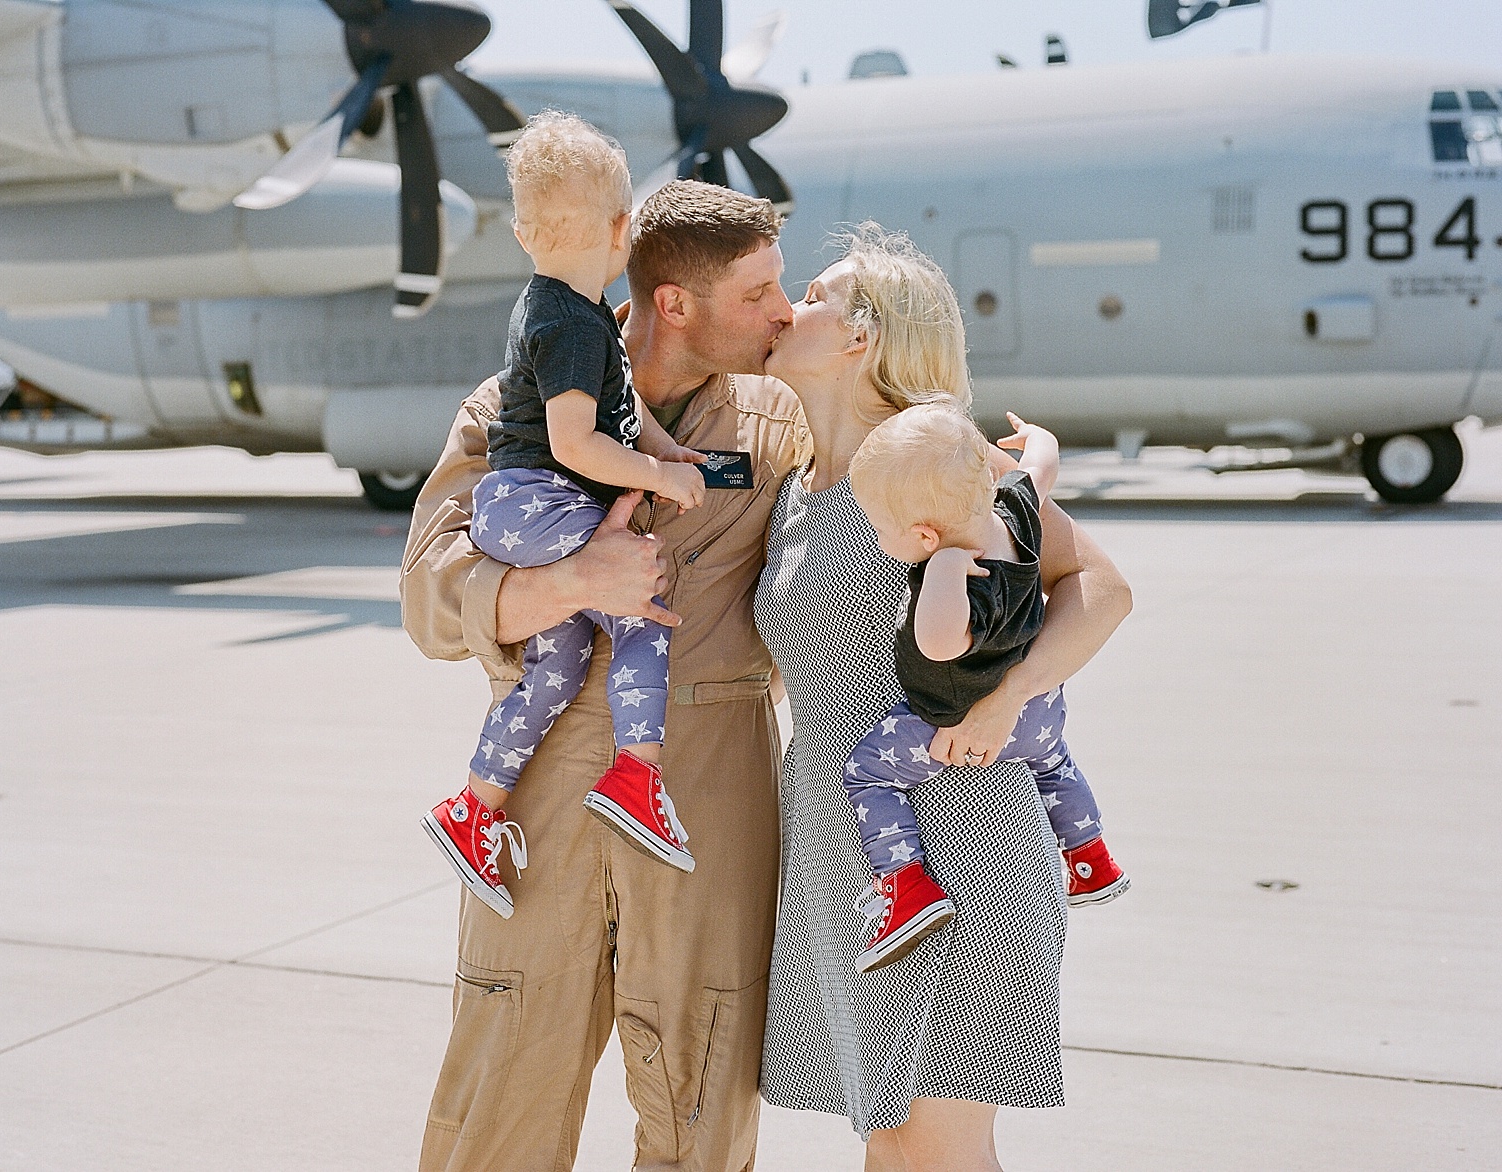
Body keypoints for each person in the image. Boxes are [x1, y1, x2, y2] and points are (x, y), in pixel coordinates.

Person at [402, 179, 803, 1172]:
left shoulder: (778, 424)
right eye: (756, 294)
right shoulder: (512, 410)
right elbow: (426, 595)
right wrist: (571, 581)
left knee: (700, 1090)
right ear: (675, 301)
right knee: (507, 1068)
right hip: (543, 776)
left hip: (708, 780)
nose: (781, 313)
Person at [754, 223, 1132, 1172]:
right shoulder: (800, 487)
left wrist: (1010, 699)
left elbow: (1102, 588)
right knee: (902, 1150)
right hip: (852, 864)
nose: (785, 307)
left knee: (933, 1153)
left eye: (813, 294)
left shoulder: (933, 458)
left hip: (963, 850)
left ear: (861, 337)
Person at [421, 111, 708, 916]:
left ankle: (474, 808)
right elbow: (578, 442)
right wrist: (656, 473)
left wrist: (663, 449)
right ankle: (637, 775)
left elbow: (621, 410)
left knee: (559, 661)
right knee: (639, 606)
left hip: (518, 508)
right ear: (623, 230)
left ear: (522, 233)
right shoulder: (573, 324)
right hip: (535, 500)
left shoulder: (569, 312)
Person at [841, 402, 1130, 973]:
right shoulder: (1017, 511)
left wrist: (944, 571)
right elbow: (1041, 467)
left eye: (880, 529)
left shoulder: (954, 570)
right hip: (1038, 712)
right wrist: (1038, 437)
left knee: (869, 769)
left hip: (954, 720)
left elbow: (940, 644)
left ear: (923, 532)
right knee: (1054, 764)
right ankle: (1089, 855)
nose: (879, 538)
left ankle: (905, 884)